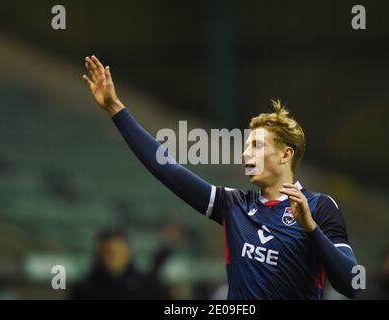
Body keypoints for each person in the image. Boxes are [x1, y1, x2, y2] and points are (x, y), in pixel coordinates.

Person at [82, 55, 362, 299]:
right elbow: (166, 168)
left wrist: (311, 228)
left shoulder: (320, 207)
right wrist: (116, 109)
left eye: (256, 146)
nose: (246, 155)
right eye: (245, 147)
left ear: (285, 155)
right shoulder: (235, 205)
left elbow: (351, 284)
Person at [71, 230, 169, 300]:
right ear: (99, 254)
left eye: (118, 251)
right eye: (108, 252)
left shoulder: (148, 285)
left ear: (127, 252)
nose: (113, 256)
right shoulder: (84, 288)